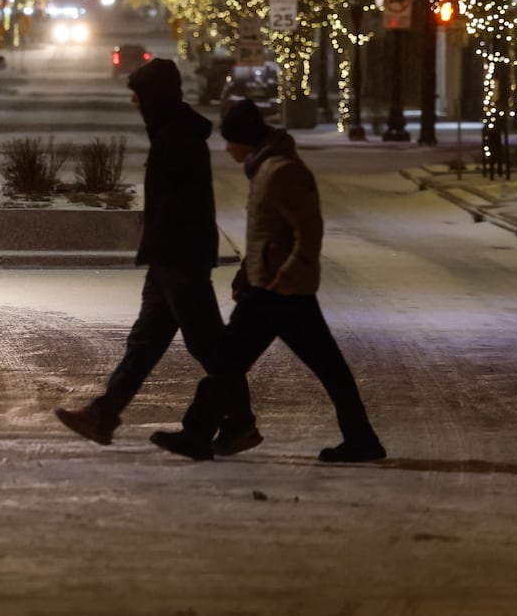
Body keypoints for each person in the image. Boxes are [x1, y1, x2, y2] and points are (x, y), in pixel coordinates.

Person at [151, 97, 385, 463]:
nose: (227, 149)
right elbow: (267, 235)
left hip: (277, 291)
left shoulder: (281, 172)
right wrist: (248, 272)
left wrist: (287, 276)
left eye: (230, 141)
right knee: (325, 367)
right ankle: (362, 438)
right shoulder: (265, 169)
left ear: (245, 138)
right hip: (275, 287)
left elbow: (308, 230)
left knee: (225, 361)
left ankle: (198, 433)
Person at [53, 58, 260, 454]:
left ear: (157, 97)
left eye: (140, 94)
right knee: (146, 342)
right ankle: (104, 414)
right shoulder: (173, 132)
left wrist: (164, 251)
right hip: (172, 257)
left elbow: (177, 206)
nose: (134, 101)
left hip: (179, 259)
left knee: (209, 347)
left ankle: (240, 425)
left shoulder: (176, 138)